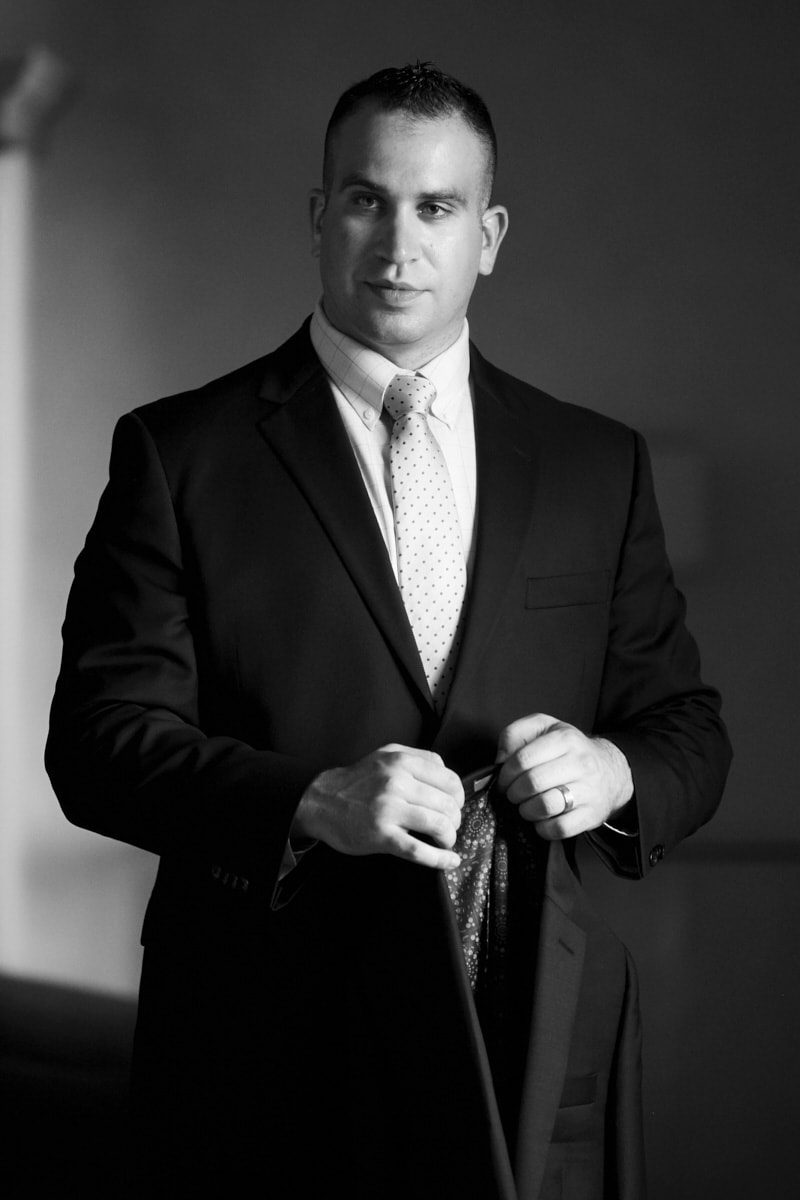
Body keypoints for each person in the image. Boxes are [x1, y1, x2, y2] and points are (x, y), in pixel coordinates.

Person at [46, 62, 731, 1199]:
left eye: (436, 207)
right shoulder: (179, 454)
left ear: (488, 236)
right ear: (321, 216)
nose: (399, 244)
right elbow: (98, 743)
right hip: (264, 1058)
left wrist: (614, 771)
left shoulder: (594, 464)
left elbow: (688, 732)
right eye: (367, 200)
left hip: (529, 1039)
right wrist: (313, 801)